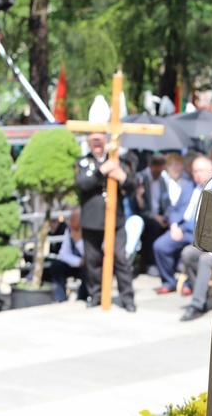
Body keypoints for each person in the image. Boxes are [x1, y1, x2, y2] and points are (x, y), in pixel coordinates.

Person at [75, 133, 137, 312]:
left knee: (120, 258)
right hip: (92, 219)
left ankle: (127, 298)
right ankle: (95, 294)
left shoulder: (118, 160)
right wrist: (102, 170)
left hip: (115, 219)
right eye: (93, 140)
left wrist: (122, 176)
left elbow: (133, 184)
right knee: (92, 259)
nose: (97, 144)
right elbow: (83, 183)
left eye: (100, 140)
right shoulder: (84, 162)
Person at [153, 156, 212, 294]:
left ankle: (190, 283)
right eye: (195, 171)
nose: (197, 174)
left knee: (190, 253)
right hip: (184, 228)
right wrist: (174, 225)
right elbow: (175, 210)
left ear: (211, 171)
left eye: (201, 171)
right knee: (160, 246)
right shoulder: (188, 186)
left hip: (202, 232)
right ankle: (169, 281)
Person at [49, 208, 88, 303]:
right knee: (56, 265)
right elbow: (63, 254)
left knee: (88, 268)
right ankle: (60, 297)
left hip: (87, 266)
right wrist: (78, 262)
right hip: (76, 262)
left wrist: (78, 241)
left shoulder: (89, 231)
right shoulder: (69, 230)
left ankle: (83, 297)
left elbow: (90, 255)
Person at [179, 245, 212, 321]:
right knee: (187, 253)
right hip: (208, 246)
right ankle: (201, 294)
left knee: (205, 260)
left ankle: (197, 304)